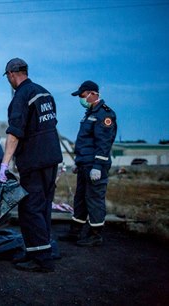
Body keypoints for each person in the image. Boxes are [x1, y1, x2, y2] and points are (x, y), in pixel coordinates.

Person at [0, 58, 62, 273]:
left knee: (30, 207)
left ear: (12, 73)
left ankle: (41, 259)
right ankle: (40, 249)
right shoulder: (44, 93)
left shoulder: (21, 96)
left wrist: (4, 165)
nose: (8, 80)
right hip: (51, 158)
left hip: (34, 160)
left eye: (7, 76)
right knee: (43, 206)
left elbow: (15, 133)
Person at [59, 80, 117, 246]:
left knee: (94, 198)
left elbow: (103, 143)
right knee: (81, 198)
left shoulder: (104, 114)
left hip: (95, 166)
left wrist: (98, 166)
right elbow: (85, 142)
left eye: (83, 96)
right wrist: (78, 161)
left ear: (93, 94)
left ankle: (95, 234)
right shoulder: (89, 114)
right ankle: (76, 231)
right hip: (85, 164)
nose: (81, 99)